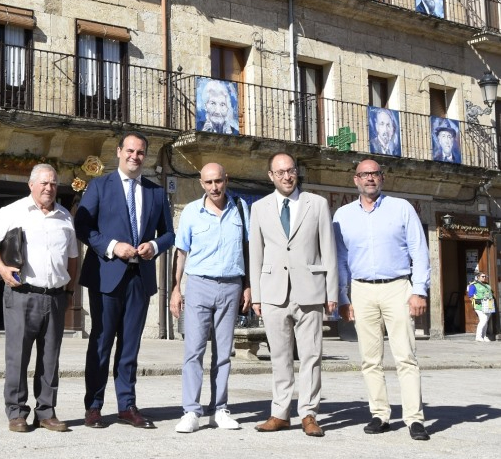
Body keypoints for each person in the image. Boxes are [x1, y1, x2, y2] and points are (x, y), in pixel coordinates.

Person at [76, 132, 175, 429]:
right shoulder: (99, 186)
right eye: (130, 150)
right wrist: (111, 246)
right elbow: (82, 226)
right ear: (119, 152)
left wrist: (154, 247)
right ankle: (93, 407)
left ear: (146, 156)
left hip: (139, 278)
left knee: (130, 346)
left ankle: (126, 405)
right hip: (107, 274)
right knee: (101, 343)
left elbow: (169, 234)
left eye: (140, 152)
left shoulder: (156, 193)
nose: (135, 156)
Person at [332, 159, 431, 441]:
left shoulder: (402, 208)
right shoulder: (342, 215)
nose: (370, 179)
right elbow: (340, 259)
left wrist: (419, 290)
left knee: (406, 356)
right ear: (355, 180)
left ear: (382, 178)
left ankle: (414, 419)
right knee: (369, 358)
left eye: (375, 174)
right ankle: (380, 414)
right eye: (364, 175)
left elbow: (419, 251)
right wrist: (342, 296)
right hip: (361, 290)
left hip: (397, 287)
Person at [0, 164, 79, 433]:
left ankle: (46, 412)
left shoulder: (65, 217)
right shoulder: (11, 212)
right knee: (18, 356)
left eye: (53, 183)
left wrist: (70, 292)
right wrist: (2, 270)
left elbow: (73, 258)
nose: (49, 188)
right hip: (21, 295)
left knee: (50, 358)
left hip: (56, 297)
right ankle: (16, 412)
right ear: (31, 185)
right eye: (44, 183)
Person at [248, 152, 337, 437]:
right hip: (274, 292)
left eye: (291, 170)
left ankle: (309, 413)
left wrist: (331, 291)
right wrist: (258, 295)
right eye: (281, 172)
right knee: (280, 357)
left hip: (310, 291)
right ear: (271, 176)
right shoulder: (259, 208)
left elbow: (329, 251)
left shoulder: (318, 204)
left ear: (296, 172)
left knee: (311, 355)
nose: (287, 176)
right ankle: (280, 413)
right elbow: (255, 254)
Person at [169, 163, 250, 434]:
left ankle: (220, 409)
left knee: (223, 353)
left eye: (218, 181)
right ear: (201, 183)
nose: (214, 187)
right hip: (199, 286)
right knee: (194, 351)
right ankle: (191, 411)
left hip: (231, 286)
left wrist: (248, 286)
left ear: (226, 180)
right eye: (209, 182)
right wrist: (176, 289)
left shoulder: (240, 208)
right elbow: (181, 253)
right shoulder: (192, 211)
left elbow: (247, 250)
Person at [467, 271, 494, 342]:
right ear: (478, 277)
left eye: (485, 276)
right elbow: (470, 295)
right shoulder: (473, 285)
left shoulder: (487, 285)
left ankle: (484, 336)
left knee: (486, 321)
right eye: (482, 276)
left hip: (488, 305)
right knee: (483, 320)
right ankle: (478, 336)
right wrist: (474, 302)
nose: (484, 278)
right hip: (479, 305)